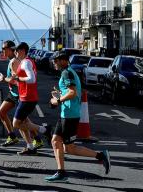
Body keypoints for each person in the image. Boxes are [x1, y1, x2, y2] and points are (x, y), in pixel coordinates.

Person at [45, 51, 110, 183]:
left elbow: (73, 92)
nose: (54, 63)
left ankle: (62, 172)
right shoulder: (69, 72)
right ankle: (99, 156)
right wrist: (59, 94)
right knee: (64, 146)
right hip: (68, 114)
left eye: (56, 60)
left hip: (69, 116)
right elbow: (70, 91)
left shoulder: (66, 72)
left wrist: (58, 101)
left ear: (63, 60)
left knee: (64, 145)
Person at [0, 40, 44, 149]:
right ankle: (17, 137)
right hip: (13, 93)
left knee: (21, 121)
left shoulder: (15, 61)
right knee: (2, 113)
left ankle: (33, 141)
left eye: (4, 49)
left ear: (10, 49)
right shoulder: (14, 60)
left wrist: (3, 79)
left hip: (18, 94)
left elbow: (17, 82)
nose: (2, 51)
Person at [11, 42, 51, 155]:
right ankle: (30, 147)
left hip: (28, 98)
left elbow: (32, 79)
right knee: (22, 123)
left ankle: (45, 130)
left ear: (23, 51)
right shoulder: (26, 62)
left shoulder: (26, 63)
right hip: (25, 96)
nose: (15, 53)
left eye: (17, 50)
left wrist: (19, 79)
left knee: (16, 124)